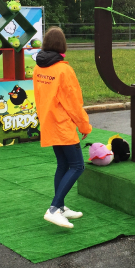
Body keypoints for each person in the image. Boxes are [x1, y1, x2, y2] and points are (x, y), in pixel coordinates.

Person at [33, 27, 93, 229]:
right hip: (62, 125)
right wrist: (84, 125)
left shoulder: (38, 68)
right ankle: (54, 208)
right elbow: (73, 103)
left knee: (63, 165)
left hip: (48, 123)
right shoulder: (64, 70)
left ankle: (60, 207)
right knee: (77, 166)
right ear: (63, 46)